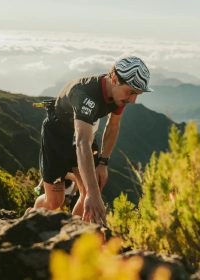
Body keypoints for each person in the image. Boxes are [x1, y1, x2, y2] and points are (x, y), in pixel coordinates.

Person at [29, 56, 152, 224]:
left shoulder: (118, 95)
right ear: (115, 79)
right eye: (131, 92)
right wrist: (94, 195)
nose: (133, 100)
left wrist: (103, 162)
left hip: (84, 135)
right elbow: (81, 143)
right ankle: (31, 217)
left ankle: (72, 234)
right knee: (55, 201)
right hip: (57, 138)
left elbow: (113, 126)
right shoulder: (85, 94)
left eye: (137, 94)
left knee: (89, 191)